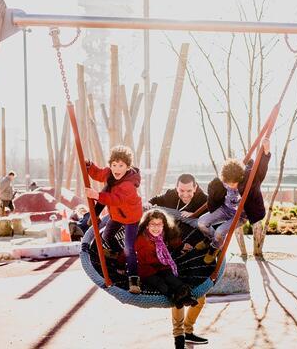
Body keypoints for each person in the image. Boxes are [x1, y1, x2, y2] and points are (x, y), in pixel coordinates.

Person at [148, 174, 209, 347]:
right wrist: (147, 204)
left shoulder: (203, 200)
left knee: (201, 296)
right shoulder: (170, 195)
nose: (185, 194)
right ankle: (179, 334)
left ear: (195, 188)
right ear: (177, 188)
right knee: (179, 292)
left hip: (195, 251)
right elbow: (154, 201)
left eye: (189, 190)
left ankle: (189, 330)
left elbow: (211, 221)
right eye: (181, 190)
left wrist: (192, 241)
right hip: (172, 250)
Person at [196, 138, 271, 264]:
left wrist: (266, 151)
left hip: (240, 215)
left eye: (233, 184)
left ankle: (214, 248)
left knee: (220, 232)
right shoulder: (223, 180)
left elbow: (261, 169)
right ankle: (210, 240)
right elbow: (213, 194)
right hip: (225, 209)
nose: (230, 186)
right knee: (202, 222)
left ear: (240, 178)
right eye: (228, 184)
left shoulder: (249, 180)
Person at [84, 145, 142, 293]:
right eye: (114, 165)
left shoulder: (129, 184)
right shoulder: (109, 173)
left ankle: (134, 279)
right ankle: (118, 254)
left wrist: (97, 195)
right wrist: (89, 165)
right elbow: (97, 174)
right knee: (107, 236)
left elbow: (115, 199)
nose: (117, 168)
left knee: (129, 248)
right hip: (117, 215)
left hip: (131, 218)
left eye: (121, 165)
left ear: (128, 167)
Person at [135, 209, 198, 308]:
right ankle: (174, 297)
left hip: (161, 264)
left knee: (171, 278)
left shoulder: (164, 234)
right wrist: (120, 265)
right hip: (147, 269)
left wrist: (181, 246)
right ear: (146, 225)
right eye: (152, 224)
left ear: (163, 225)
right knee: (159, 283)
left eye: (159, 224)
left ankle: (187, 295)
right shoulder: (142, 239)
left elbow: (173, 240)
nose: (156, 228)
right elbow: (127, 252)